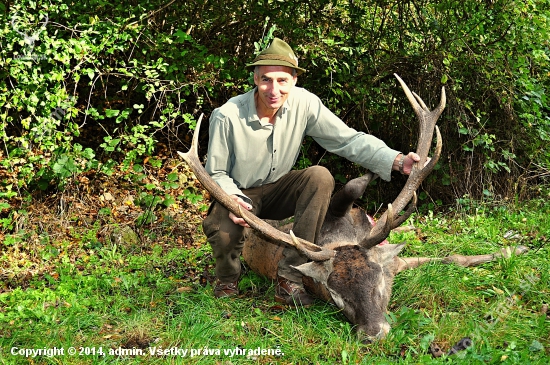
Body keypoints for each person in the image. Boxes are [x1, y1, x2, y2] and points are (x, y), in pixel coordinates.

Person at [203, 38, 421, 306]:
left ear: (294, 79)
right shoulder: (227, 115)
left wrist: (397, 160)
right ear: (255, 79)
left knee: (319, 176)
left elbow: (347, 140)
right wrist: (235, 199)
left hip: (280, 188)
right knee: (223, 230)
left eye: (282, 80)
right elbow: (216, 173)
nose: (274, 89)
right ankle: (227, 279)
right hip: (239, 191)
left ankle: (289, 278)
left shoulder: (304, 103)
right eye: (266, 80)